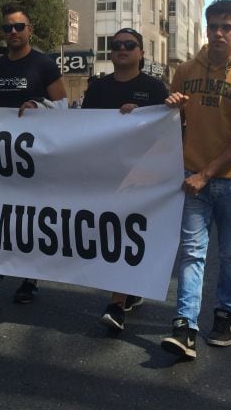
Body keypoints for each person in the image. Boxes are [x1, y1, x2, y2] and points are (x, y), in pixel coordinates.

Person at [160, 0, 231, 360]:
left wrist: (206, 174)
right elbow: (173, 120)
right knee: (192, 253)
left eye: (227, 27)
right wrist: (170, 104)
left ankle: (225, 314)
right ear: (205, 30)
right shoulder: (187, 70)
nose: (219, 33)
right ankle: (185, 326)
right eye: (213, 26)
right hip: (193, 177)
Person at [0, 2, 67, 312]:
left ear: (30, 30)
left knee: (29, 222)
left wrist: (38, 105)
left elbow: (64, 105)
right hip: (0, 157)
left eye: (19, 26)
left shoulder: (44, 64)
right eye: (7, 27)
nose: (13, 32)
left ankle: (30, 278)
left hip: (35, 159)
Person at [82, 27, 168, 331]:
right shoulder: (97, 88)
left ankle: (116, 303)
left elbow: (169, 130)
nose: (121, 49)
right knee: (111, 234)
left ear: (141, 53)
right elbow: (83, 130)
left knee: (126, 234)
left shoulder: (156, 89)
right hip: (106, 173)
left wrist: (142, 116)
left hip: (143, 175)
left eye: (129, 45)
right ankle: (129, 289)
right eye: (116, 44)